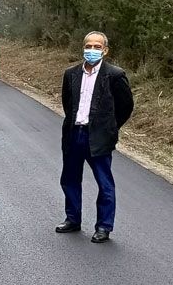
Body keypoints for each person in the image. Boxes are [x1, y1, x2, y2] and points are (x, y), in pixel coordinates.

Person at [56, 31, 134, 243]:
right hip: (74, 133)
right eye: (88, 46)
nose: (92, 50)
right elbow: (67, 103)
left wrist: (110, 128)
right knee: (70, 179)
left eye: (97, 47)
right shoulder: (71, 74)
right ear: (83, 48)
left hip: (99, 136)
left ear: (105, 50)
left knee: (104, 182)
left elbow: (126, 106)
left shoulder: (115, 75)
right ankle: (72, 219)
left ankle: (104, 226)